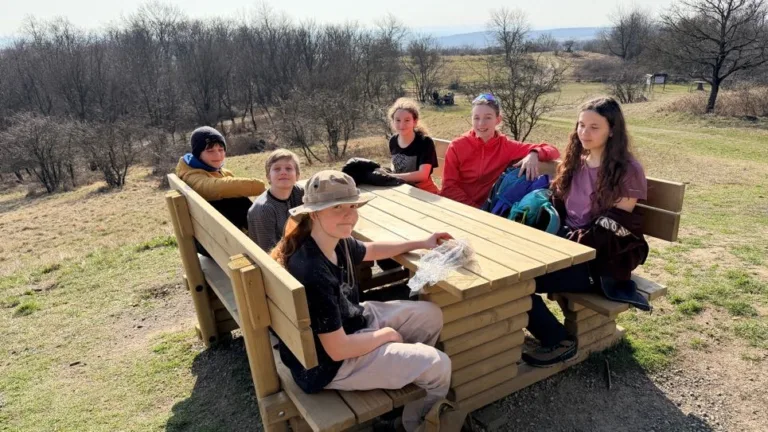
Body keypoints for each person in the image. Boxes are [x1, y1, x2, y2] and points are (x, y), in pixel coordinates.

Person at [271, 170, 452, 432]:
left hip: (350, 324)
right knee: (439, 365)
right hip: (327, 365)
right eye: (337, 208)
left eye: (352, 206)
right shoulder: (312, 270)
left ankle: (405, 380)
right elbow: (338, 349)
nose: (349, 215)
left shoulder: (334, 238)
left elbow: (371, 250)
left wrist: (423, 242)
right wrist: (385, 336)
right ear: (314, 213)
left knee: (431, 315)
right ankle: (414, 424)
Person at [523, 97, 650, 367]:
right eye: (581, 125)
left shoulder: (627, 170)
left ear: (612, 130)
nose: (584, 133)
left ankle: (559, 340)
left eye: (594, 127)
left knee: (520, 283)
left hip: (601, 260)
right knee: (511, 271)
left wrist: (565, 244)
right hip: (566, 247)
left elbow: (613, 227)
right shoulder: (575, 161)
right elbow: (559, 205)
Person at [439, 93, 560, 208]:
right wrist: (475, 210)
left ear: (498, 120)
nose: (481, 123)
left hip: (489, 210)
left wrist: (534, 153)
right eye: (476, 118)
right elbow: (449, 187)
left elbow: (553, 150)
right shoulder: (457, 146)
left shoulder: (507, 146)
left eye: (488, 117)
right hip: (457, 206)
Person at [175, 126, 265, 232]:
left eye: (221, 149)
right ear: (198, 154)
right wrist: (259, 186)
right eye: (210, 150)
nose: (217, 155)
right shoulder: (191, 175)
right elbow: (213, 187)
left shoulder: (217, 171)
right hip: (217, 238)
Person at [248, 149, 304, 252]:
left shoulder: (299, 192)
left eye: (288, 168)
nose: (283, 172)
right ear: (268, 177)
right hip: (273, 257)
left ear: (297, 175)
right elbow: (269, 251)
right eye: (277, 169)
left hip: (296, 248)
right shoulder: (264, 208)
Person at [385, 98, 440, 194]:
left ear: (415, 121)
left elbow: (423, 175)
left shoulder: (425, 142)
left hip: (424, 191)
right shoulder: (393, 141)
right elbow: (394, 165)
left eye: (407, 120)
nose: (402, 125)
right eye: (397, 120)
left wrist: (392, 177)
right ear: (393, 122)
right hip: (401, 189)